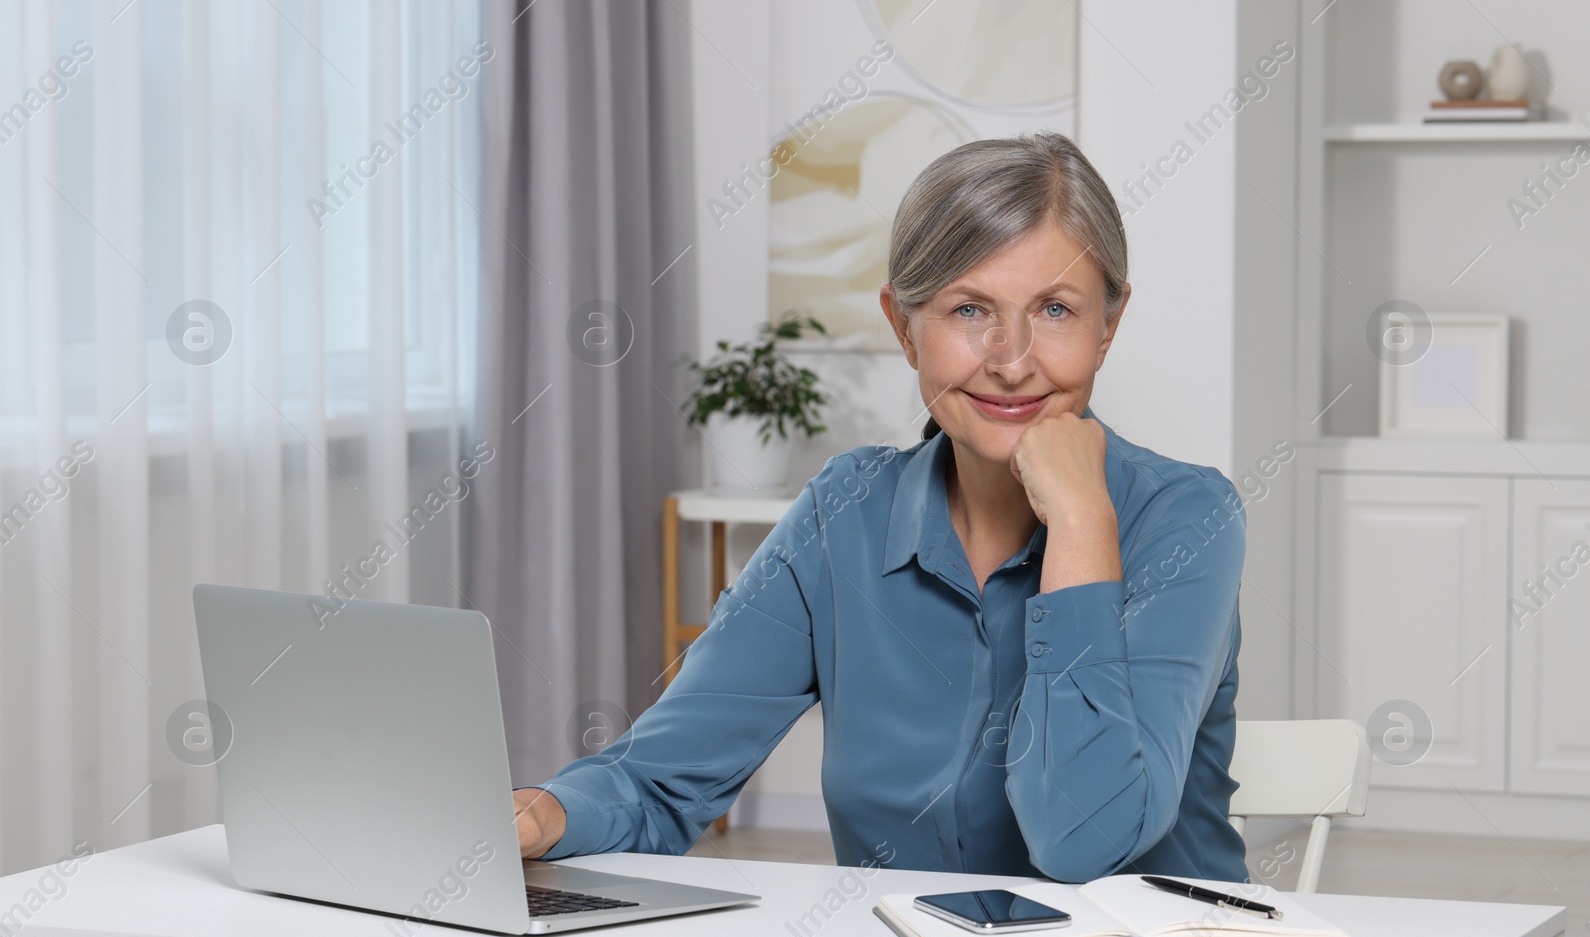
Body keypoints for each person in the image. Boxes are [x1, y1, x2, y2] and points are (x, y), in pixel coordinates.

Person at [513, 130, 1249, 883]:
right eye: (969, 309)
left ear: (1108, 326)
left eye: (1056, 309)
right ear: (904, 326)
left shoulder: (1187, 520)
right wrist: (547, 812)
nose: (1012, 359)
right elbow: (661, 780)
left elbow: (1084, 840)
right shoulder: (847, 513)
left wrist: (1084, 524)